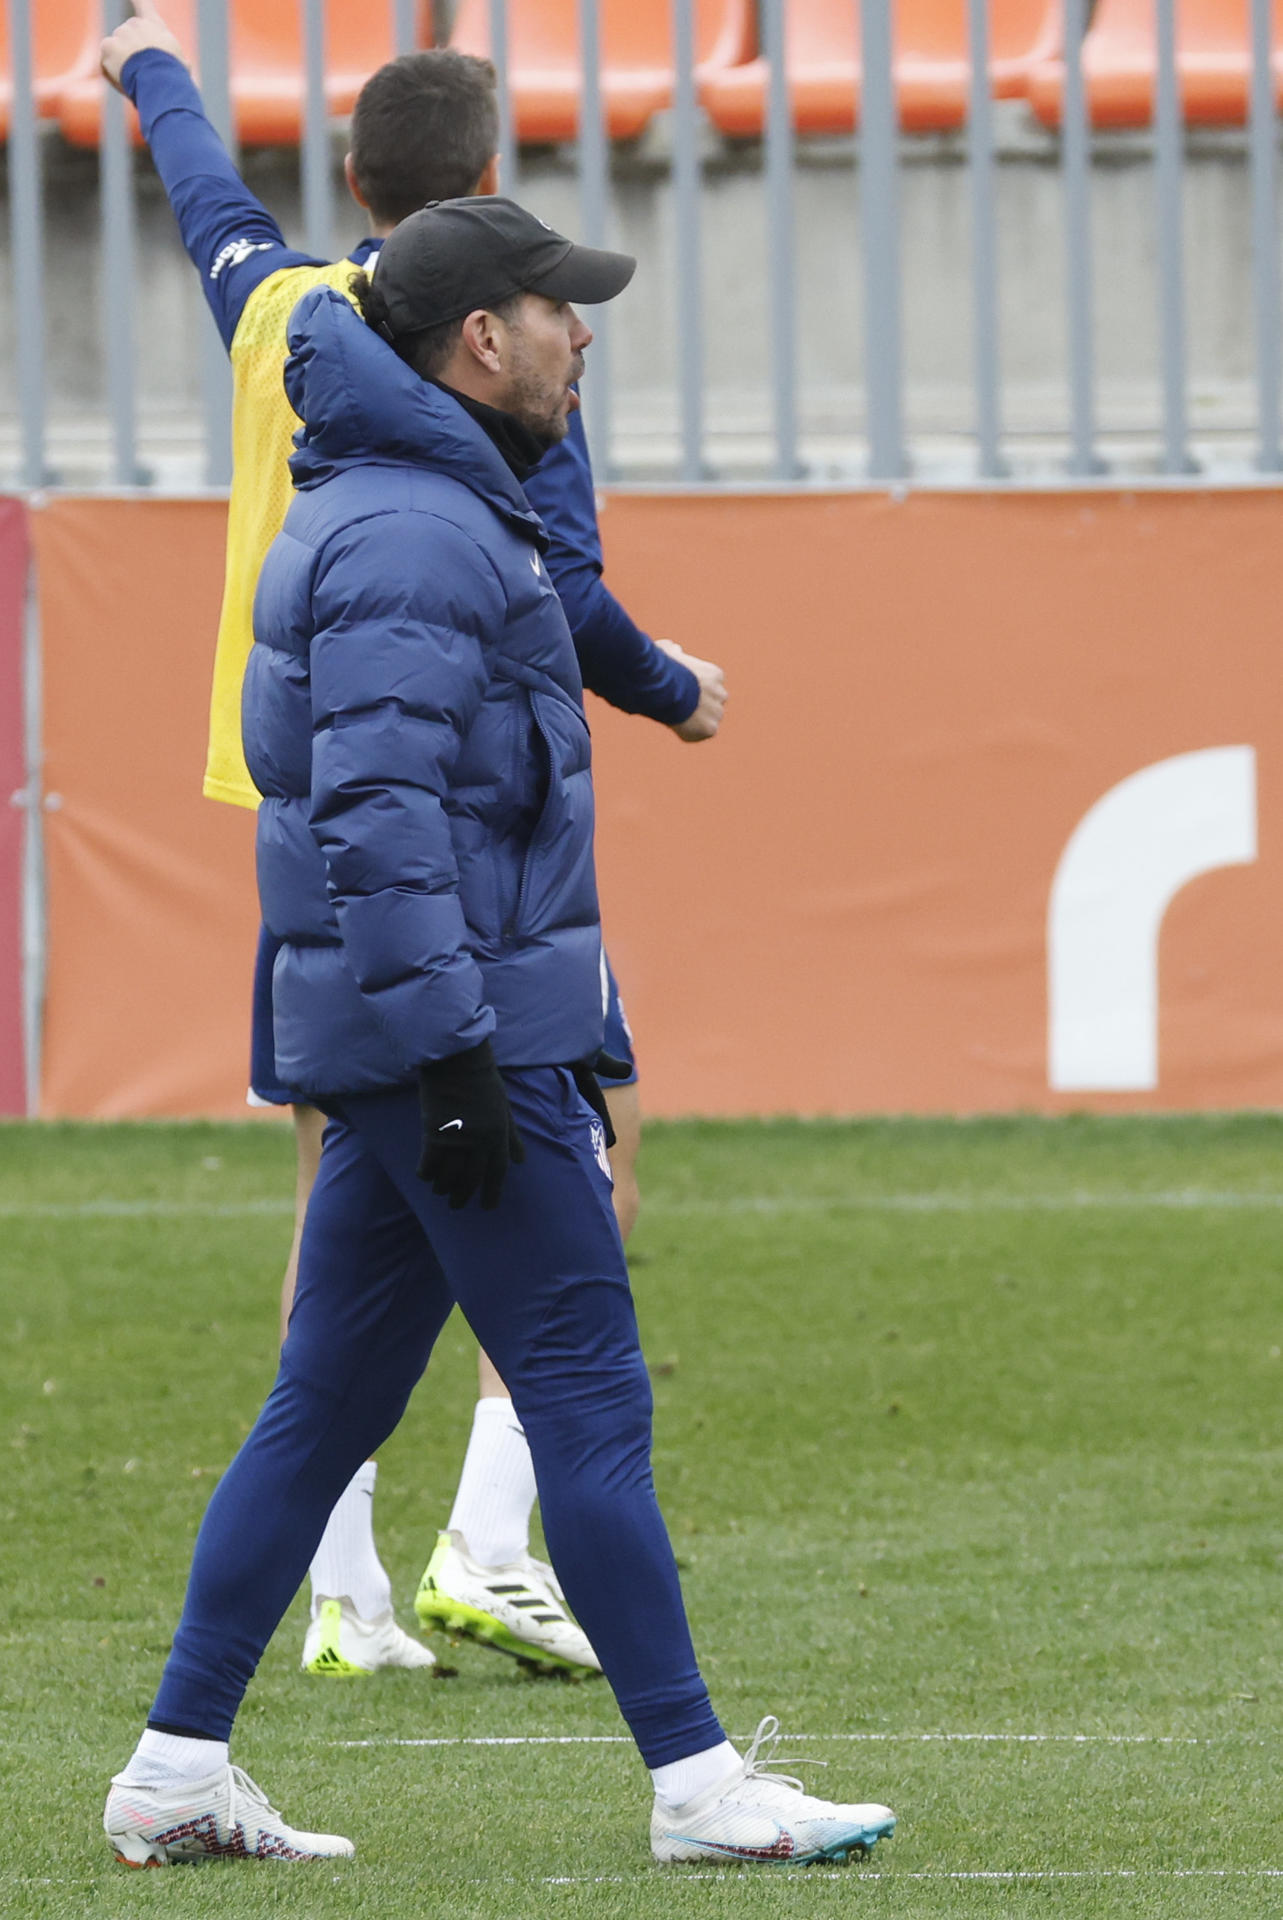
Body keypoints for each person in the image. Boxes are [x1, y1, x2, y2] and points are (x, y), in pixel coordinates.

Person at [101, 196, 897, 1869]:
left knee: (321, 1406)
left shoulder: (426, 506)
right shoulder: (417, 532)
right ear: (481, 340)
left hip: (415, 1035)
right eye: (560, 311)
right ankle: (695, 1787)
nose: (583, 335)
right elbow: (379, 818)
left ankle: (175, 1770)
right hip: (456, 1041)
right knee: (590, 1396)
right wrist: (465, 1057)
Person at [100, 7, 727, 1679]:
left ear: (355, 180)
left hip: (289, 829)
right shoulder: (496, 400)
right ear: (489, 209)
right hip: (434, 840)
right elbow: (567, 592)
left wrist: (150, 67)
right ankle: (493, 1548)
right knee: (593, 1155)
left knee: (337, 1216)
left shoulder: (283, 308)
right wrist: (669, 691)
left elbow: (205, 193)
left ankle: (346, 1597)